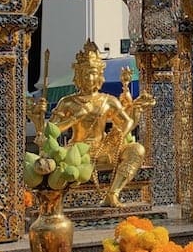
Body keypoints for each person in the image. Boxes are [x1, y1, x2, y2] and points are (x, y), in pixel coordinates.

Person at [33, 40, 156, 207]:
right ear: (78, 75)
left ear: (99, 76)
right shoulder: (68, 102)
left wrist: (119, 133)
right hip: (76, 151)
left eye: (93, 73)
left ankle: (113, 193)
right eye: (85, 73)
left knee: (137, 149)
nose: (89, 78)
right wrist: (73, 119)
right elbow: (50, 132)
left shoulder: (108, 100)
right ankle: (56, 202)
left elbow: (127, 122)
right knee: (55, 162)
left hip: (104, 148)